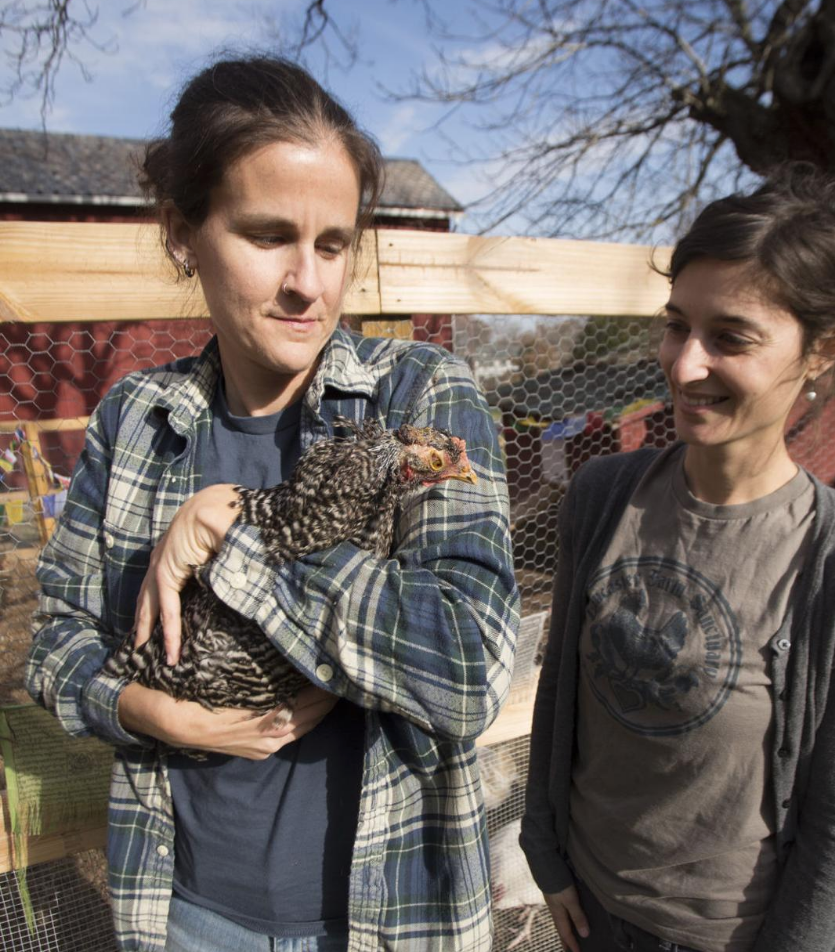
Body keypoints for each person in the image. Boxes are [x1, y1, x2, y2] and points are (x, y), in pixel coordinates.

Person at [26, 56, 519, 952]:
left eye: (333, 244)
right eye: (267, 236)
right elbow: (56, 641)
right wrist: (148, 713)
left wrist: (234, 533)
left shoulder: (422, 399)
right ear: (184, 232)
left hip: (389, 919)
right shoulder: (136, 420)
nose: (309, 283)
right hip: (187, 912)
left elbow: (471, 671)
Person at [519, 167, 835, 952]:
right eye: (677, 325)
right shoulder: (602, 498)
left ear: (823, 349)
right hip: (587, 912)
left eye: (731, 337)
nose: (685, 364)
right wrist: (547, 855)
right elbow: (560, 688)